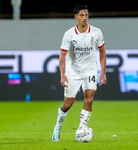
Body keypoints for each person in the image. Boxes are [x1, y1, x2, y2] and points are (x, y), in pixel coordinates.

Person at [52, 4, 106, 141]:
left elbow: (102, 52)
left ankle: (81, 129)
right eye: (81, 15)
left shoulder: (96, 32)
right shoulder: (69, 34)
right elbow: (62, 56)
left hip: (90, 71)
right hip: (73, 72)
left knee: (89, 99)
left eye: (86, 15)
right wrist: (63, 75)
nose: (84, 18)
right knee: (68, 104)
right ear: (75, 16)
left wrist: (102, 72)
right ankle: (58, 126)